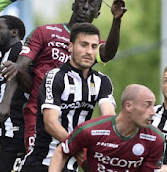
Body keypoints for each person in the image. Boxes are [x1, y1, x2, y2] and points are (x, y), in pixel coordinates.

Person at [0, 0, 127, 153]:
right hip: (38, 113)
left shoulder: (92, 45)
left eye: (92, 4)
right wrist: (5, 102)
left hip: (73, 120)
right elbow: (20, 67)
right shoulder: (44, 32)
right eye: (82, 1)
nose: (85, 6)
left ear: (97, 13)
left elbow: (107, 53)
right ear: (73, 5)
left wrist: (116, 20)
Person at [20, 22, 117, 172]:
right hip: (42, 163)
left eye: (93, 46)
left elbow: (109, 118)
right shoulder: (55, 76)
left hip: (71, 166)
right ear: (70, 47)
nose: (89, 51)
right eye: (83, 45)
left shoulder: (102, 81)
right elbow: (51, 123)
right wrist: (79, 148)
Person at [49, 84, 165, 172]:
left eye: (153, 106)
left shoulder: (155, 139)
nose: (153, 112)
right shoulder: (90, 130)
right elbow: (61, 152)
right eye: (147, 105)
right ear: (128, 106)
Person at [0, 15, 27, 172]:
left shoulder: (20, 52)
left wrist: (5, 104)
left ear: (14, 32)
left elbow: (30, 85)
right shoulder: (6, 56)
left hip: (16, 136)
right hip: (5, 136)